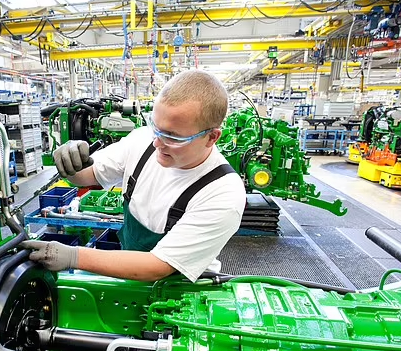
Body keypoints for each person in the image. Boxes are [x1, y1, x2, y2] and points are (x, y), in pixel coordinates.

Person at [21, 70, 246, 282]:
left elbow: (159, 265)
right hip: (130, 271)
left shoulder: (223, 193)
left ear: (211, 137)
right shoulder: (142, 141)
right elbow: (88, 175)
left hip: (183, 291)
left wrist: (74, 257)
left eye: (172, 137)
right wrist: (71, 165)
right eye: (156, 128)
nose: (157, 143)